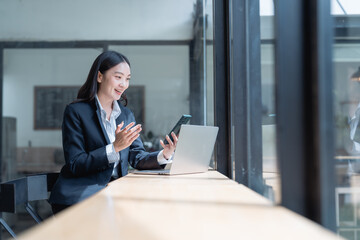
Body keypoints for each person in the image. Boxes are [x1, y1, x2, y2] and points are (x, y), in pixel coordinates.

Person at [49, 51, 177, 214]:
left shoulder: (125, 114)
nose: (124, 84)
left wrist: (164, 154)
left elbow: (137, 157)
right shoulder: (76, 112)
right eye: (118, 77)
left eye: (127, 79)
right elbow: (75, 163)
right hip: (80, 196)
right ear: (100, 77)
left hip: (114, 193)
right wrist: (114, 148)